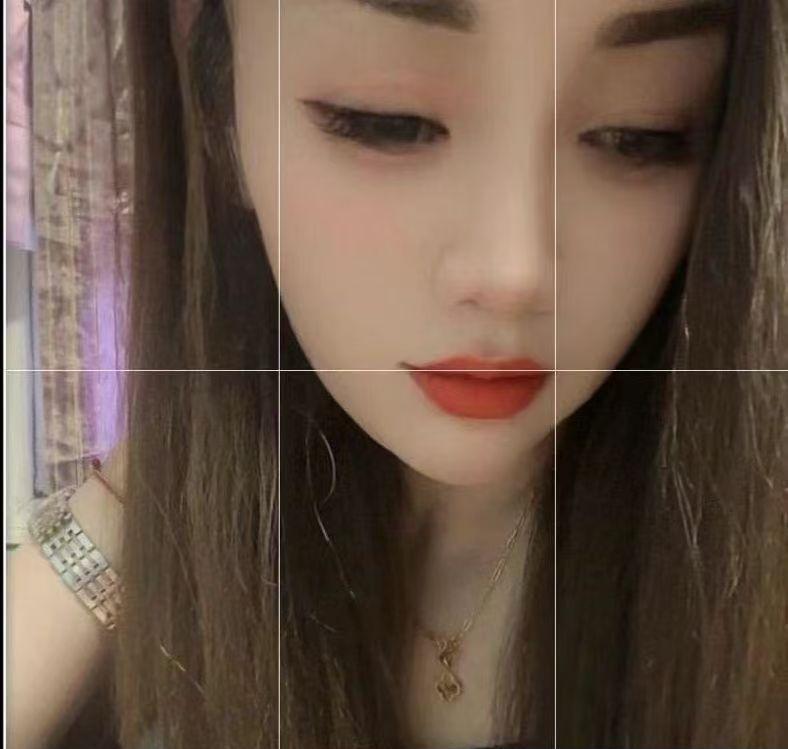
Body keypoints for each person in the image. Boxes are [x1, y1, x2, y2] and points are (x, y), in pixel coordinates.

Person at [8, 1, 787, 748]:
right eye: (389, 121)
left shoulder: (742, 586)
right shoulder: (198, 534)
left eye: (637, 134)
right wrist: (135, 492)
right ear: (220, 106)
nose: (513, 271)